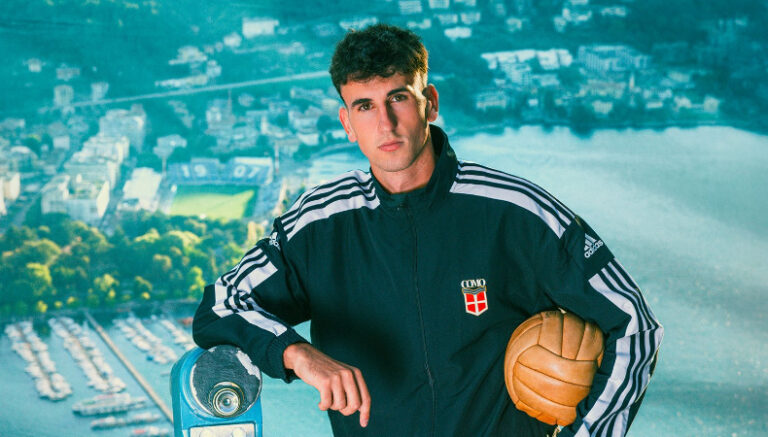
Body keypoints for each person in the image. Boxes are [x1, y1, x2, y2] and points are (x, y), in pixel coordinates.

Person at [193, 24, 663, 437]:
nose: (385, 123)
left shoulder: (516, 212)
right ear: (347, 124)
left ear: (430, 103)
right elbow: (221, 305)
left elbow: (634, 326)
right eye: (364, 106)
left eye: (398, 97)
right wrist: (297, 353)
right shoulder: (319, 225)